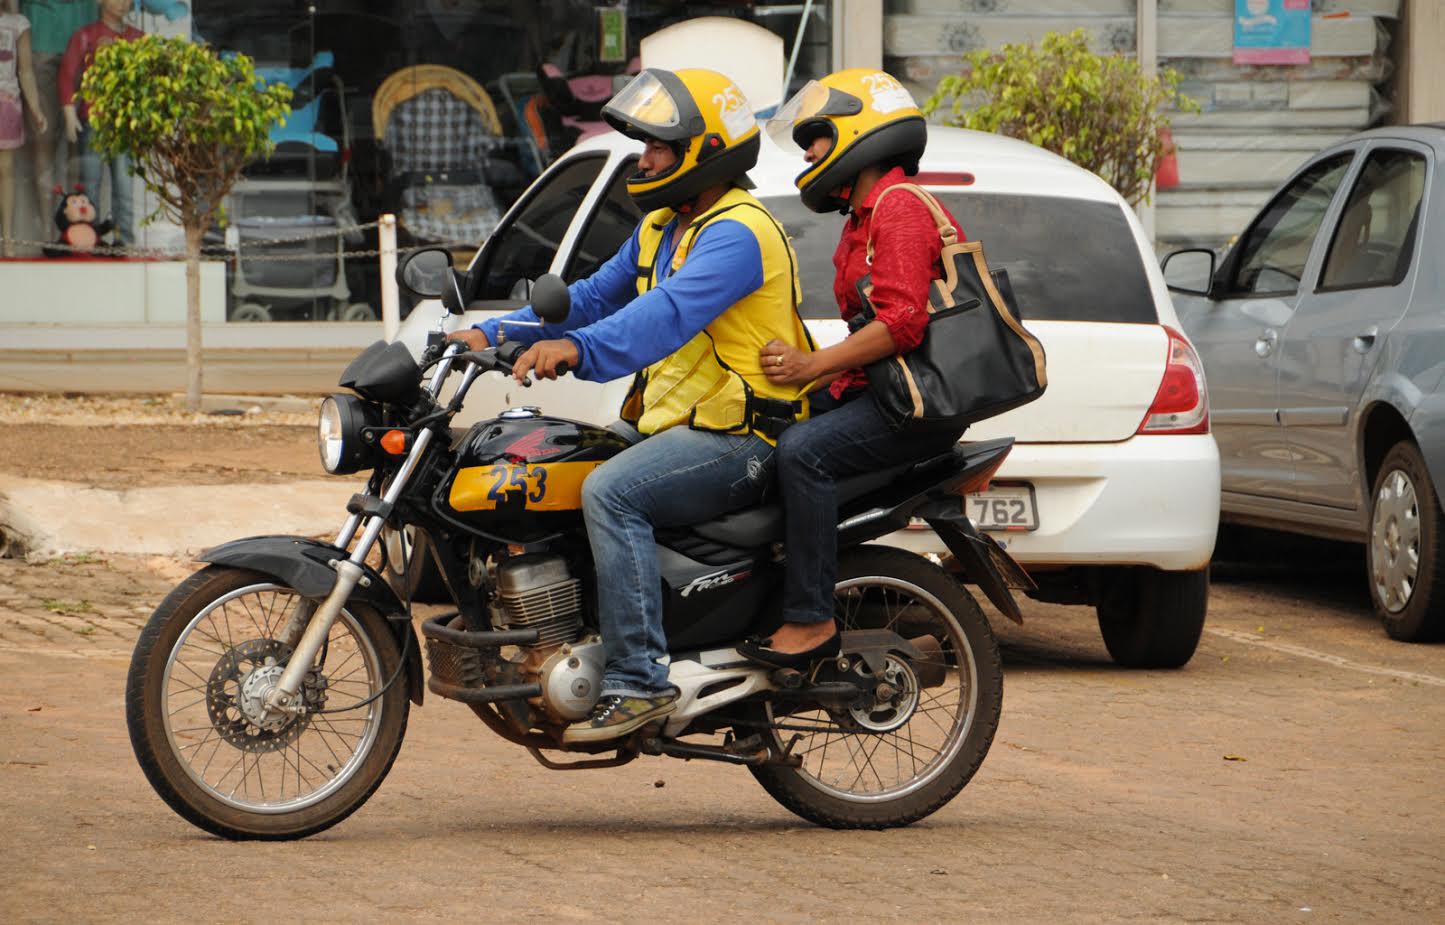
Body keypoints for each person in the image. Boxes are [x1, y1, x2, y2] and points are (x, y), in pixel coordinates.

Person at [447, 68, 814, 743]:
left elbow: (662, 317)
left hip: (744, 436)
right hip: (673, 425)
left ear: (706, 150)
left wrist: (575, 350)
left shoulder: (738, 232)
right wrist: (491, 332)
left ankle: (639, 680)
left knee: (611, 493)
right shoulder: (662, 227)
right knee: (552, 466)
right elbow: (589, 298)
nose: (642, 161)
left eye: (658, 148)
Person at [738, 68, 969, 667]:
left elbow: (902, 323)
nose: (808, 153)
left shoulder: (898, 207)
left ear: (859, 132)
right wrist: (807, 374)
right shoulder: (863, 217)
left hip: (914, 404)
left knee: (803, 453)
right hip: (881, 390)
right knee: (763, 426)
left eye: (815, 137)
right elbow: (868, 332)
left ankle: (812, 619)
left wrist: (813, 364)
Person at [58, 0, 140, 246]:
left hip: (125, 123)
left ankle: (124, 241)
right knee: (90, 184)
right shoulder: (86, 35)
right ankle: (89, 240)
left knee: (124, 186)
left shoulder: (138, 38)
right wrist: (69, 111)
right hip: (94, 119)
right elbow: (67, 73)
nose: (123, 3)